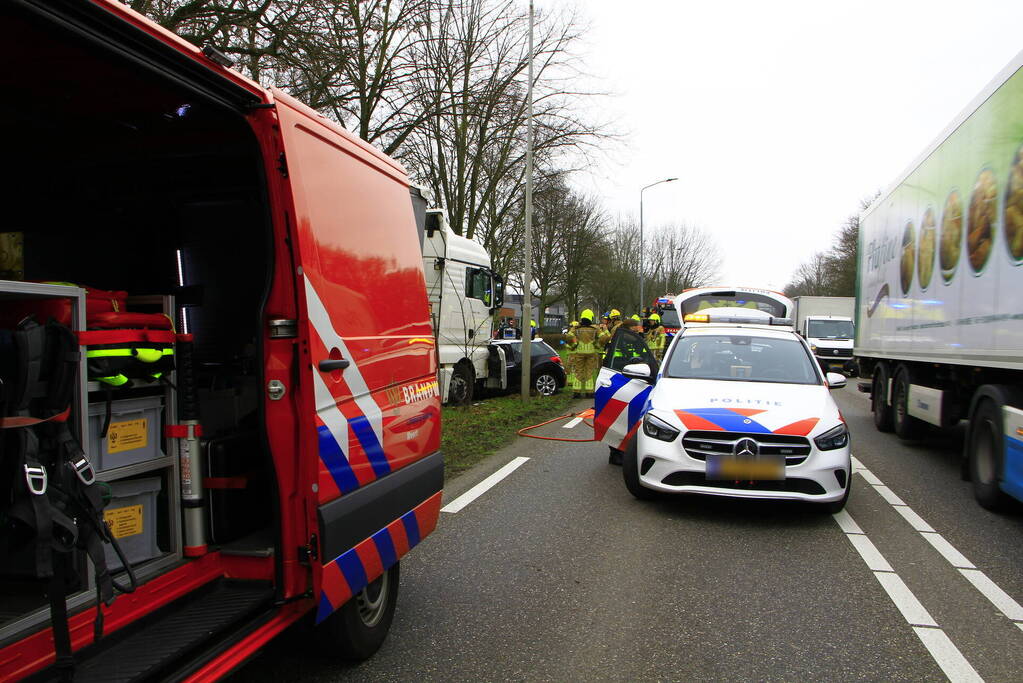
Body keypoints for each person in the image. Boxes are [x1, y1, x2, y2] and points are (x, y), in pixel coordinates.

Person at [566, 310, 601, 398]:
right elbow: (603, 338)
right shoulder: (595, 329)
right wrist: (597, 345)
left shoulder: (577, 328)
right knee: (589, 372)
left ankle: (576, 393)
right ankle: (589, 393)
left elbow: (569, 336)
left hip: (579, 353)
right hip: (591, 353)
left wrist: (574, 344)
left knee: (578, 372)